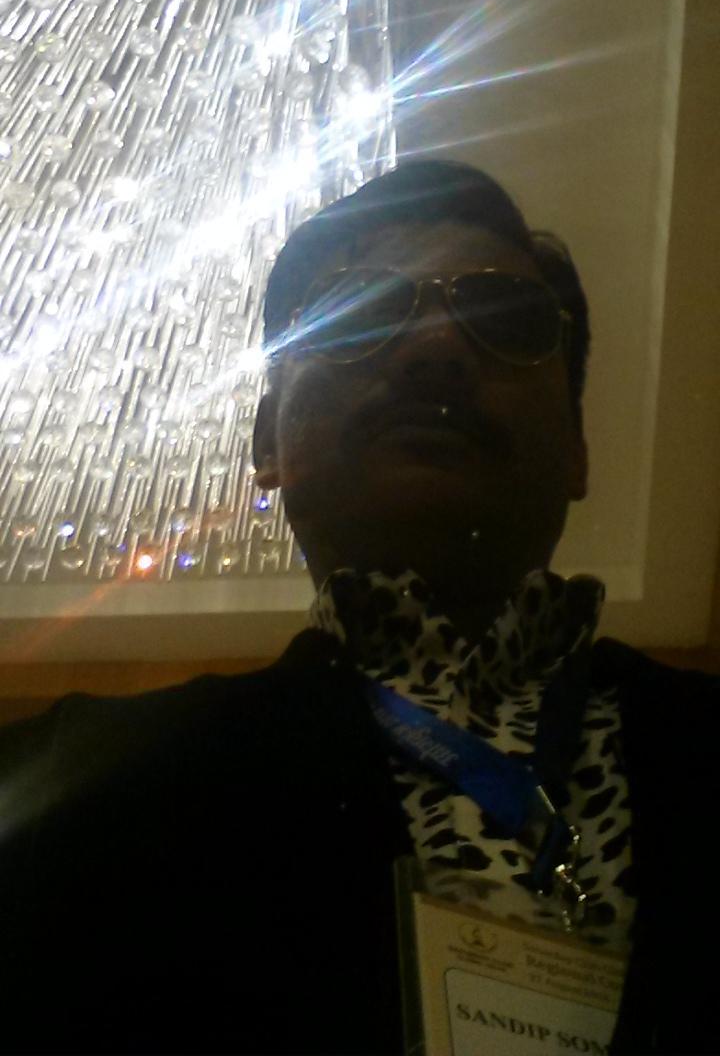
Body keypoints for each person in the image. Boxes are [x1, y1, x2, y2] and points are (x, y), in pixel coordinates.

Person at [0, 158, 717, 1055]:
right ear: (267, 443)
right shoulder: (57, 794)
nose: (436, 348)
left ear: (578, 447)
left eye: (505, 320)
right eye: (361, 315)